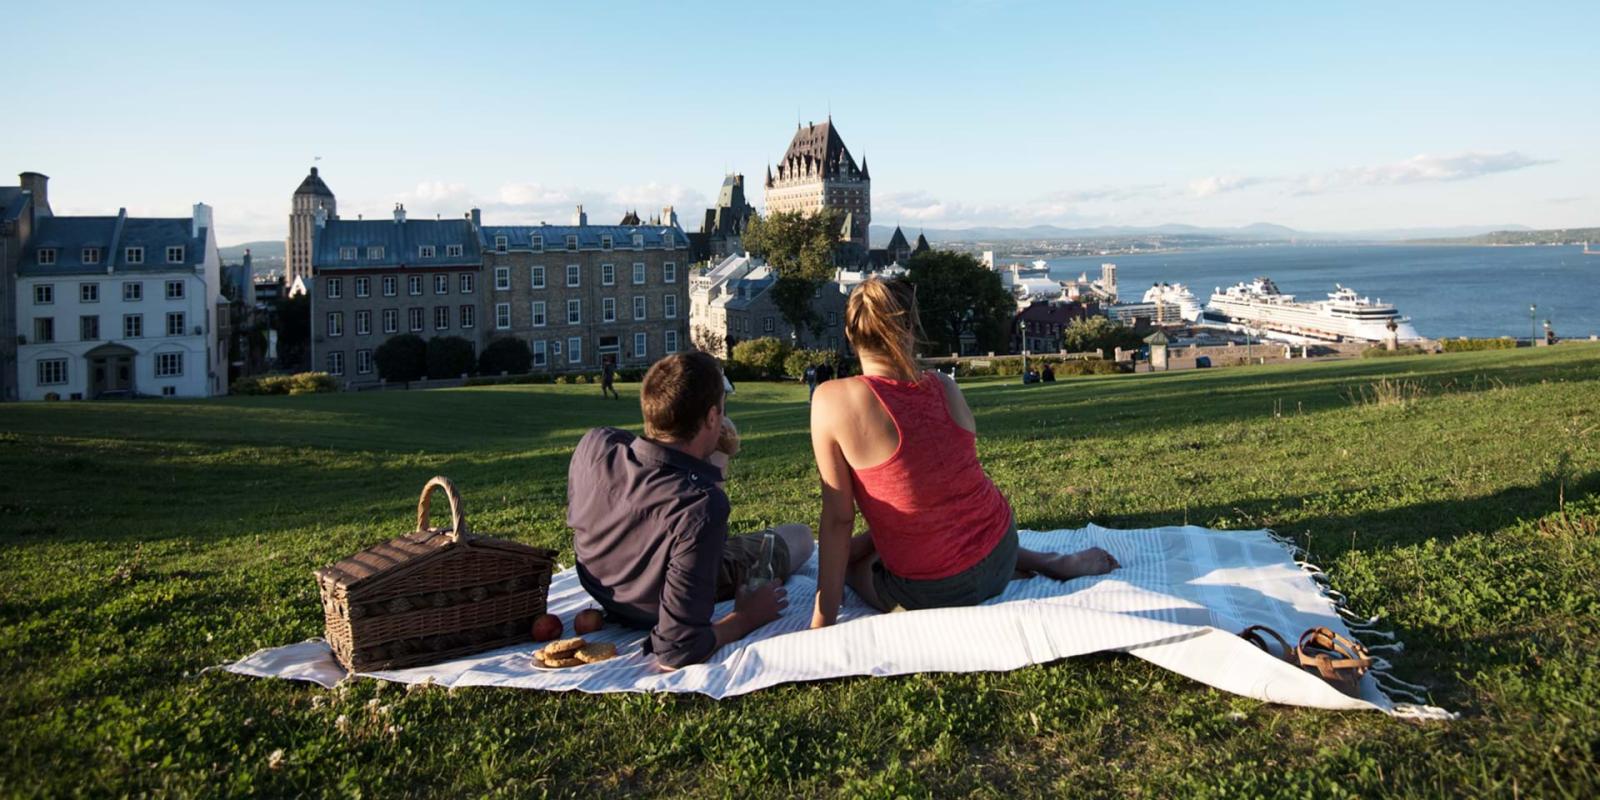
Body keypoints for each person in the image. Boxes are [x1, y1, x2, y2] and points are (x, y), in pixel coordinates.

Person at [807, 278, 1118, 627]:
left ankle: (1042, 562)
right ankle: (1047, 561)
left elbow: (838, 519)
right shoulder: (944, 386)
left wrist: (822, 620)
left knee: (849, 564)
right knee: (925, 524)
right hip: (1002, 550)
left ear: (851, 335)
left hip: (936, 591)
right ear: (910, 329)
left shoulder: (832, 399)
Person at [569, 351, 814, 668]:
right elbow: (676, 648)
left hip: (605, 590)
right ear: (713, 418)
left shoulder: (595, 444)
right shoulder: (698, 506)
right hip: (650, 605)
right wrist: (745, 618)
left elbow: (649, 460)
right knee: (800, 537)